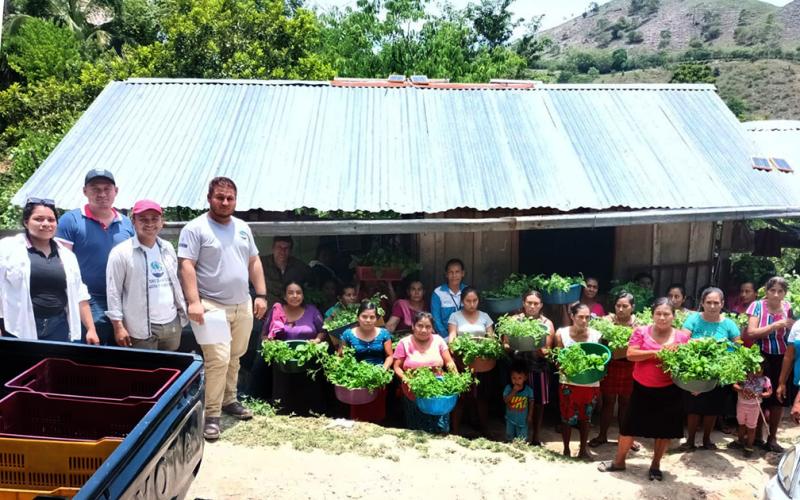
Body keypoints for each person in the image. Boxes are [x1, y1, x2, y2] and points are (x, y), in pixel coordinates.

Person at [178, 177, 268, 442]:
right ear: (209, 198)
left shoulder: (242, 227)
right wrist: (193, 301)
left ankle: (230, 400)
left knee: (236, 355)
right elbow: (186, 265)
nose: (225, 202)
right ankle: (212, 415)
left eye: (230, 198)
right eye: (220, 197)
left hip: (242, 303)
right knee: (218, 359)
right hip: (210, 305)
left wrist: (261, 294)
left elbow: (254, 261)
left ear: (235, 200)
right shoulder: (195, 228)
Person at [598, 298, 691, 481]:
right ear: (652, 314)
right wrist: (659, 352)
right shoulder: (641, 331)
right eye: (659, 313)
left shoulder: (682, 337)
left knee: (664, 430)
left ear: (674, 316)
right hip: (642, 388)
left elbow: (686, 365)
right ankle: (619, 461)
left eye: (666, 314)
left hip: (670, 390)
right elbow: (631, 354)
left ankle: (655, 465)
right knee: (628, 427)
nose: (662, 318)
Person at [0, 198, 97, 343]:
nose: (46, 224)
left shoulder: (67, 255)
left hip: (58, 326)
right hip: (18, 326)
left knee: (54, 364)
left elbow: (79, 294)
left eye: (51, 220)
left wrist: (91, 329)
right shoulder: (7, 248)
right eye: (38, 219)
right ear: (26, 222)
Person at [55, 169, 134, 344]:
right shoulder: (71, 220)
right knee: (94, 348)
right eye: (95, 189)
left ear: (116, 191)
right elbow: (62, 263)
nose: (102, 194)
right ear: (85, 191)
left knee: (124, 349)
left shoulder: (126, 223)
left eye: (107, 189)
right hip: (87, 299)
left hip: (122, 298)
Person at [106, 200, 187, 351]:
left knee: (172, 369)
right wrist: (118, 326)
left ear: (162, 222)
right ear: (133, 222)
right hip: (140, 328)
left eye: (154, 219)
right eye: (143, 219)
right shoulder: (121, 253)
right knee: (147, 371)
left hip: (171, 323)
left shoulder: (167, 248)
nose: (149, 224)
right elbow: (113, 292)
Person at [680, 287, 741, 451]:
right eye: (709, 302)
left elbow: (738, 345)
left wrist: (724, 347)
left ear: (722, 304)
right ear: (702, 303)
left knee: (712, 408)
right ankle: (690, 440)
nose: (712, 306)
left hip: (718, 373)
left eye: (716, 303)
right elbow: (682, 340)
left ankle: (707, 440)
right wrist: (697, 343)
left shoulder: (729, 324)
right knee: (693, 407)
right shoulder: (693, 319)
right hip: (695, 370)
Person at [260, 281, 325, 415]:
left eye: (298, 292)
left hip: (308, 360)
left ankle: (309, 415)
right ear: (284, 296)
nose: (295, 296)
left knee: (307, 396)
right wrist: (272, 344)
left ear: (303, 295)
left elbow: (323, 330)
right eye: (290, 293)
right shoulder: (276, 311)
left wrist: (317, 340)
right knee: (283, 397)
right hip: (282, 362)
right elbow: (264, 335)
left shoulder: (312, 311)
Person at [746, 276, 795, 452]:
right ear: (766, 291)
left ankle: (772, 438)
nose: (775, 294)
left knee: (778, 399)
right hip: (761, 357)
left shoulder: (789, 307)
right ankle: (756, 435)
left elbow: (794, 333)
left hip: (784, 358)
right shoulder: (757, 306)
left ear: (785, 293)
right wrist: (776, 325)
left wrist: (790, 326)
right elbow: (751, 332)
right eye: (772, 290)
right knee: (759, 395)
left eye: (780, 291)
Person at [501, 290, 554, 445]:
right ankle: (513, 435)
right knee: (516, 399)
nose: (532, 306)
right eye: (529, 303)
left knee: (538, 403)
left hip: (538, 368)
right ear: (523, 303)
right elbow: (505, 344)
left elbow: (547, 351)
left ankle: (536, 437)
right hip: (518, 368)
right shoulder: (514, 321)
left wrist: (536, 344)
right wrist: (513, 345)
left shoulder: (546, 324)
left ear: (541, 305)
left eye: (536, 303)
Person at [393, 311, 458, 434]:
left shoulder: (438, 340)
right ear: (413, 326)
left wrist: (456, 378)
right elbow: (397, 367)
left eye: (428, 326)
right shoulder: (404, 343)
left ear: (432, 328)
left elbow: (449, 362)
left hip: (438, 391)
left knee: (440, 429)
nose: (423, 330)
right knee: (417, 431)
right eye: (420, 326)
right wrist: (408, 380)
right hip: (413, 391)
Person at [590, 292, 639, 449]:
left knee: (626, 403)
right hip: (611, 365)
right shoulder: (607, 321)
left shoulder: (638, 324)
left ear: (632, 307)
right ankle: (602, 435)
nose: (621, 309)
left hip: (630, 366)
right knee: (608, 402)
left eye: (625, 306)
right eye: (618, 305)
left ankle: (625, 437)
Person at [556, 302, 602, 460]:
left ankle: (583, 449)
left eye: (587, 317)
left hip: (590, 384)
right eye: (580, 317)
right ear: (572, 316)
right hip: (568, 383)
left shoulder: (596, 335)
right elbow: (558, 359)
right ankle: (566, 449)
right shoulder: (561, 334)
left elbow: (600, 360)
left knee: (586, 418)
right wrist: (566, 367)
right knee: (567, 417)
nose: (584, 320)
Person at [447, 287, 495, 437]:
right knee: (460, 396)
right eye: (468, 301)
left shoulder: (485, 316)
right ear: (462, 301)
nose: (472, 304)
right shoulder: (455, 316)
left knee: (482, 398)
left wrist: (486, 348)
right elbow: (452, 337)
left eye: (475, 301)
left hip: (482, 363)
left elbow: (492, 338)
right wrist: (457, 348)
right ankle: (455, 431)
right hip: (463, 362)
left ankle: (485, 429)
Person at [340, 301, 393, 422]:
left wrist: (382, 370)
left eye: (372, 317)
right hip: (357, 380)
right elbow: (341, 356)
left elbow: (390, 356)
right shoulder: (348, 334)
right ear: (357, 317)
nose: (368, 320)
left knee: (377, 414)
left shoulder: (384, 333)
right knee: (358, 415)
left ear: (376, 319)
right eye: (364, 316)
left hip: (378, 379)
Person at [730, 362, 772, 458]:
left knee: (751, 427)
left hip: (754, 407)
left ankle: (749, 446)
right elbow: (734, 386)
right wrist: (742, 390)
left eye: (759, 369)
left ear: (764, 369)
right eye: (754, 369)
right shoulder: (743, 376)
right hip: (741, 404)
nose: (756, 372)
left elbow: (769, 392)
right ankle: (740, 441)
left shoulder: (765, 379)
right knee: (741, 424)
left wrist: (760, 395)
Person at [263, 236, 311, 306]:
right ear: (273, 248)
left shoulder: (300, 267)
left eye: (286, 248)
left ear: (291, 251)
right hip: (267, 311)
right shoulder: (261, 264)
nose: (282, 251)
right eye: (279, 247)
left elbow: (312, 286)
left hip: (293, 311)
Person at [431, 258, 467, 338]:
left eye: (457, 272)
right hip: (444, 336)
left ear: (463, 273)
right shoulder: (438, 292)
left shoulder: (468, 291)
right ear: (446, 274)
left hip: (465, 335)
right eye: (451, 272)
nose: (454, 275)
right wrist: (447, 337)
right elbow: (436, 320)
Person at [504, 361, 534, 442]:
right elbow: (506, 400)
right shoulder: (508, 388)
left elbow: (531, 403)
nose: (516, 381)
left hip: (523, 420)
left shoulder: (528, 390)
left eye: (519, 378)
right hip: (510, 419)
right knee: (509, 438)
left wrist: (530, 415)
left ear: (525, 378)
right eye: (514, 378)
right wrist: (513, 391)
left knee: (522, 440)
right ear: (510, 377)